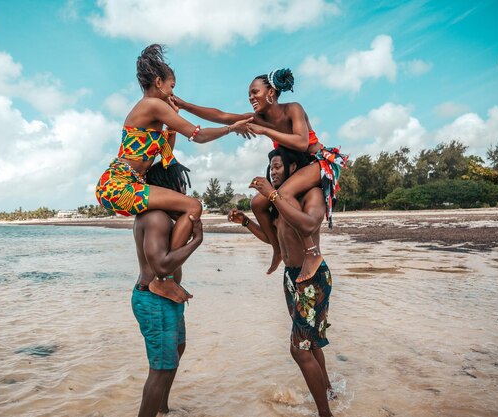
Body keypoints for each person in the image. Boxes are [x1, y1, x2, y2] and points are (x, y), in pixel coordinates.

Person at [95, 44, 253, 299]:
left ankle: (163, 271)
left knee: (181, 213)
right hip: (118, 185)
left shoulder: (156, 112)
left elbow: (166, 152)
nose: (172, 92)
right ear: (158, 82)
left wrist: (171, 124)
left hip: (125, 184)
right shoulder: (150, 105)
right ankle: (162, 277)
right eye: (171, 86)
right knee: (193, 207)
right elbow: (198, 135)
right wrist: (231, 129)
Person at [173, 68, 346, 282]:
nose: (251, 98)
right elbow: (222, 115)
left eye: (255, 92)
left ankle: (312, 253)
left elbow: (302, 143)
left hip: (316, 162)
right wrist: (184, 105)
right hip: (296, 168)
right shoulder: (258, 118)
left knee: (283, 192)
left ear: (271, 92)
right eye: (249, 94)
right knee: (257, 203)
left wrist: (266, 131)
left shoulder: (293, 109)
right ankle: (277, 250)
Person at [229, 147, 334, 417]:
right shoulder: (277, 203)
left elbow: (309, 225)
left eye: (278, 167)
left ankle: (326, 413)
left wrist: (274, 194)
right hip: (291, 277)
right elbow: (273, 238)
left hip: (312, 277)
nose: (273, 172)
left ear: (292, 169)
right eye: (271, 168)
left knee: (299, 350)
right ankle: (330, 392)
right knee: (308, 344)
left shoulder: (310, 194)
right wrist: (246, 223)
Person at [132, 161, 203, 417]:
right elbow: (161, 267)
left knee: (177, 349)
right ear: (170, 186)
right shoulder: (156, 217)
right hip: (153, 300)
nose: (183, 190)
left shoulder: (162, 215)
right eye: (181, 184)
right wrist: (197, 241)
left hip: (166, 298)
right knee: (160, 369)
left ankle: (162, 408)